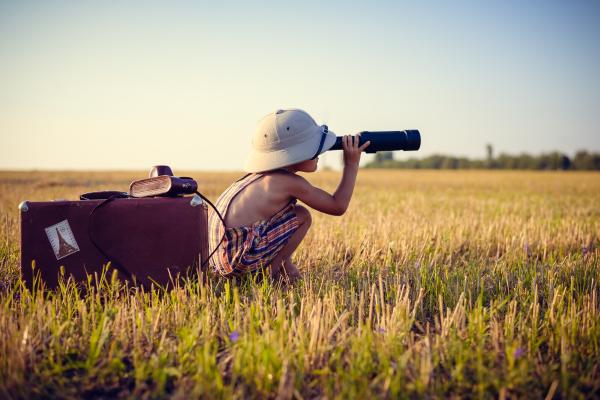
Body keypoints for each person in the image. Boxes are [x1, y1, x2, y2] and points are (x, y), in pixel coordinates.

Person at [208, 108, 370, 282]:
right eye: (315, 149)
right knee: (302, 215)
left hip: (220, 259)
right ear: (295, 153)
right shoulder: (288, 183)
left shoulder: (256, 179)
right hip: (238, 260)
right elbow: (337, 206)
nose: (320, 154)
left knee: (286, 218)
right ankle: (270, 273)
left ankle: (281, 267)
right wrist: (351, 164)